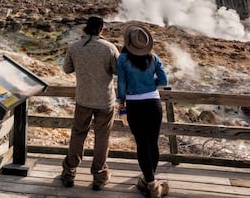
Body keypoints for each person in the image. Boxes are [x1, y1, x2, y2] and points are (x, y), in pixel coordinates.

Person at [60, 15, 119, 190]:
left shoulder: (75, 46)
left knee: (78, 134)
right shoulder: (109, 48)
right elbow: (117, 71)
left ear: (86, 27)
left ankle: (69, 172)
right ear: (101, 29)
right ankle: (99, 176)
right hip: (105, 101)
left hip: (83, 99)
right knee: (102, 138)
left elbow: (66, 69)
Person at [117, 22, 169, 198]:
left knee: (141, 143)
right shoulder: (154, 58)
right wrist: (150, 84)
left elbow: (121, 83)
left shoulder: (123, 59)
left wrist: (121, 101)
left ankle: (151, 183)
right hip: (153, 103)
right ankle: (150, 182)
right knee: (153, 142)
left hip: (135, 105)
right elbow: (164, 81)